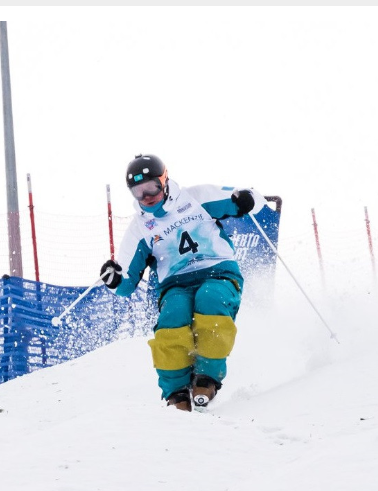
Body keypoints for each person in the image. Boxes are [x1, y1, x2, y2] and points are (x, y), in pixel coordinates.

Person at [99, 154, 263, 412]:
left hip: (217, 270)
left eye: (151, 187)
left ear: (164, 180)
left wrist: (246, 200)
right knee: (173, 316)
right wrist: (115, 279)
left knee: (210, 299)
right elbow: (126, 285)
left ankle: (206, 378)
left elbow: (247, 198)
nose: (146, 197)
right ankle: (176, 392)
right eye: (138, 192)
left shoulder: (196, 198)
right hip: (175, 284)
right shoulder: (140, 228)